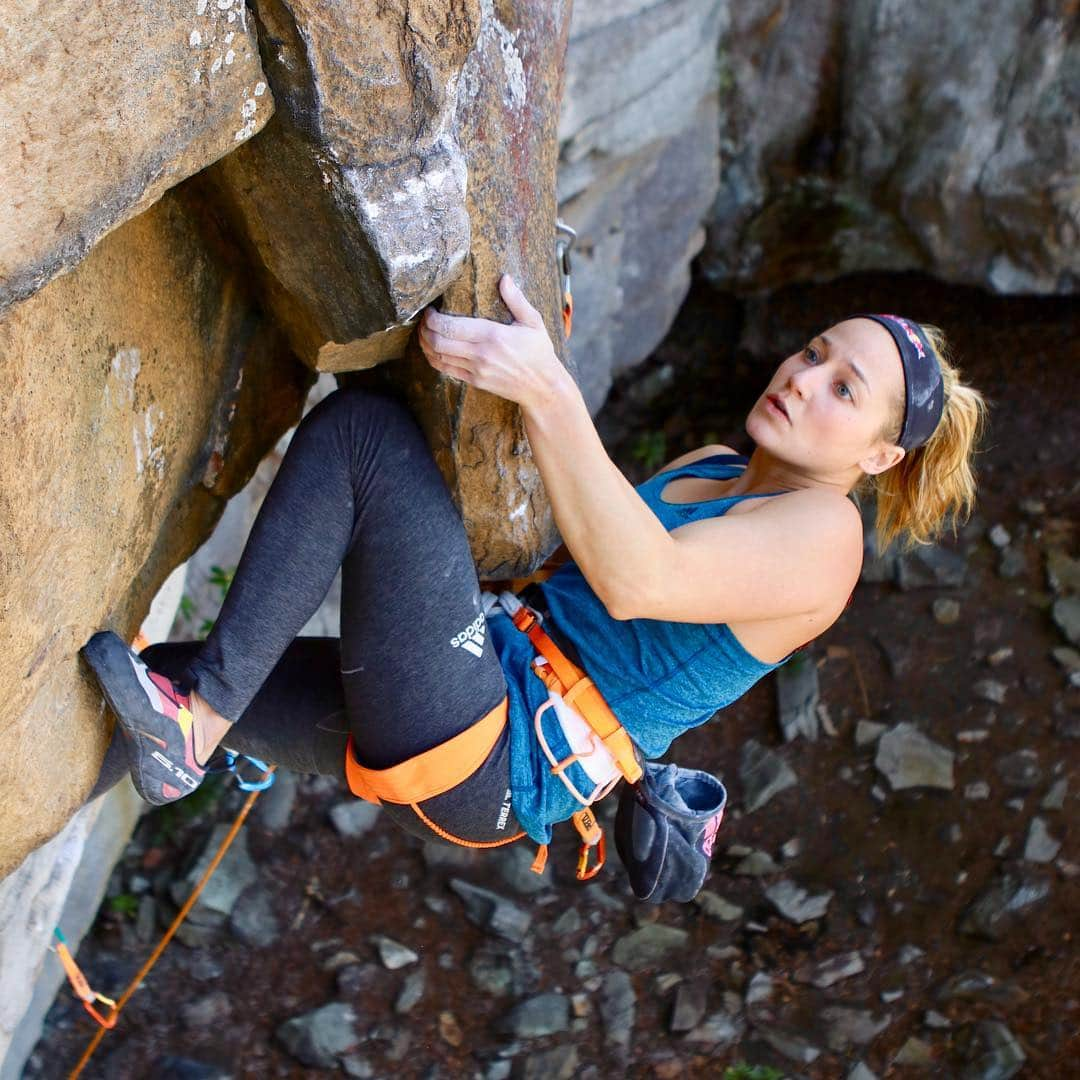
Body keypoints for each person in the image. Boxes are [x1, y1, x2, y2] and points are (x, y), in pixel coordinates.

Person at [82, 275, 987, 868]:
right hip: (488, 678)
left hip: (505, 741)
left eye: (844, 390)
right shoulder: (716, 463)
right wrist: (536, 382)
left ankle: (192, 728)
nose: (804, 376)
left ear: (878, 459)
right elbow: (579, 544)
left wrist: (550, 389)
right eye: (815, 351)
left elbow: (640, 580)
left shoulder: (825, 538)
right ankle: (155, 731)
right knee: (146, 687)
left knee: (365, 439)